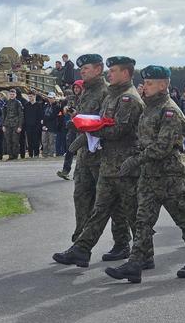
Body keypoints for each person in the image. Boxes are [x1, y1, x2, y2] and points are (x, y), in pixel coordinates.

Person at [105, 65, 185, 283]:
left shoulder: (169, 111)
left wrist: (135, 160)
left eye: (150, 83)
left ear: (163, 85)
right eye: (145, 83)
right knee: (142, 222)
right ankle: (135, 263)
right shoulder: (148, 109)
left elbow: (162, 147)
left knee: (183, 219)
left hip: (170, 177)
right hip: (149, 176)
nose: (145, 87)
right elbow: (143, 142)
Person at [53, 55, 144, 268]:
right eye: (80, 68)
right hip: (92, 155)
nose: (82, 71)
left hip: (107, 156)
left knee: (119, 207)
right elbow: (92, 119)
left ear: (98, 69)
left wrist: (84, 131)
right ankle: (80, 245)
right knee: (87, 199)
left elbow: (111, 127)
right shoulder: (90, 90)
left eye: (86, 68)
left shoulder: (111, 93)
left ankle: (129, 246)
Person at [57, 80, 84, 180]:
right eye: (75, 88)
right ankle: (65, 170)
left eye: (78, 87)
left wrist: (76, 113)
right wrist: (65, 108)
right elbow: (65, 104)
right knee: (70, 148)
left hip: (82, 127)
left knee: (81, 151)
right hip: (73, 126)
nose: (76, 89)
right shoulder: (71, 97)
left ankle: (79, 173)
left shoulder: (85, 98)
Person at [1, 89, 24, 161]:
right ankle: (10, 156)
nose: (12, 95)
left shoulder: (18, 103)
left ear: (15, 95)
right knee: (8, 141)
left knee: (15, 141)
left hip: (15, 125)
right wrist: (3, 125)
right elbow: (4, 115)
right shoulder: (6, 103)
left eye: (13, 94)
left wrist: (20, 126)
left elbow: (21, 115)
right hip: (8, 125)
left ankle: (15, 155)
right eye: (10, 94)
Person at [41, 93, 61, 157]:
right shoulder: (46, 105)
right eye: (49, 98)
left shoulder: (57, 106)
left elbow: (53, 116)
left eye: (51, 98)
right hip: (45, 126)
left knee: (51, 141)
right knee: (44, 141)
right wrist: (43, 124)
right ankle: (45, 154)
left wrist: (45, 119)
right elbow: (43, 115)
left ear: (54, 98)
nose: (50, 99)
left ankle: (51, 154)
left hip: (52, 126)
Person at [23, 93, 43, 158]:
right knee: (29, 141)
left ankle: (36, 154)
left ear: (34, 96)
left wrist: (39, 125)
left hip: (36, 126)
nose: (30, 98)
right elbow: (25, 116)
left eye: (31, 96)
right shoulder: (26, 105)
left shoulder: (38, 105)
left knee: (36, 141)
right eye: (29, 96)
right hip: (28, 126)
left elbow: (40, 116)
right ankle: (30, 154)